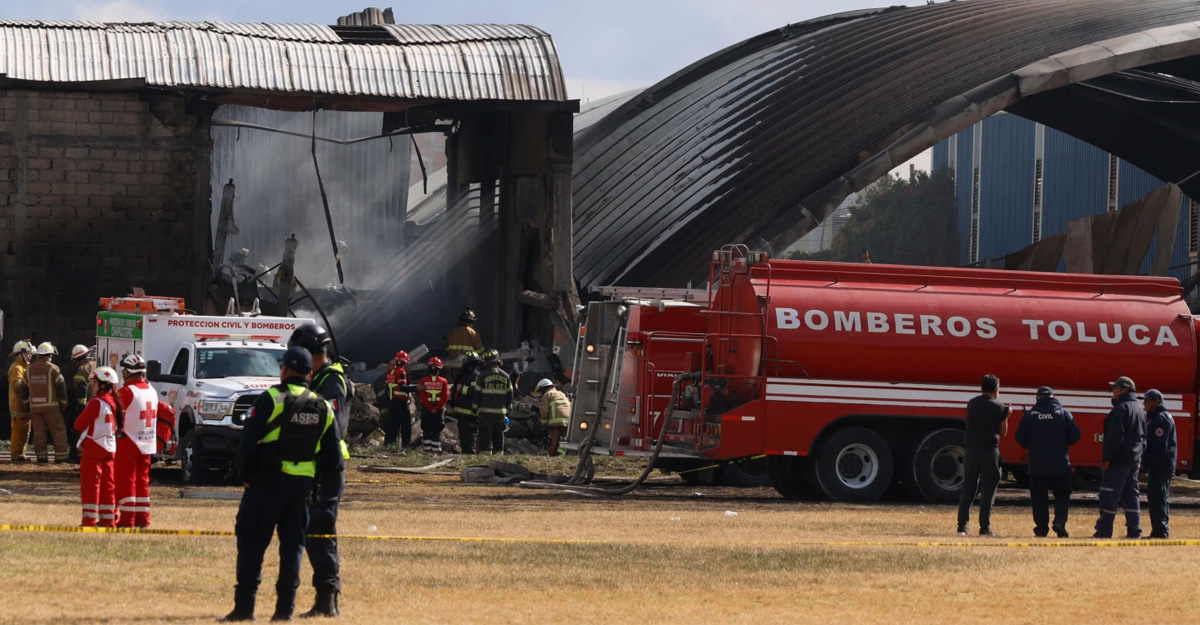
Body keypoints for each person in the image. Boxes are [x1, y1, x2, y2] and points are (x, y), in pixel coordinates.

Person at [223, 346, 342, 622]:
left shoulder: (270, 400)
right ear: (310, 374)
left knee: (252, 545)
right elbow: (333, 460)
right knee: (293, 550)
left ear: (284, 370)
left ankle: (244, 610)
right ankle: (284, 612)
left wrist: (248, 478)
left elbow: (247, 446)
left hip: (266, 487)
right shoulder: (323, 406)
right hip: (301, 491)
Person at [288, 323, 351, 618]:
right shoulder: (319, 379)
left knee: (320, 528)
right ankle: (324, 599)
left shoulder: (332, 381)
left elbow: (331, 425)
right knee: (312, 528)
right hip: (314, 467)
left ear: (313, 354)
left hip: (328, 467)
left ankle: (328, 600)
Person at [1014, 386, 1081, 538]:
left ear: (1037, 398)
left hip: (1037, 466)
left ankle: (1041, 528)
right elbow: (1076, 435)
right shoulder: (1063, 414)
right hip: (1060, 465)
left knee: (1039, 498)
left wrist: (1032, 444)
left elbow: (1020, 439)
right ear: (1053, 397)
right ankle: (1060, 522)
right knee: (1062, 495)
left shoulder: (1030, 415)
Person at [956, 374, 1010, 537]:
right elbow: (1003, 432)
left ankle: (962, 526)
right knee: (988, 491)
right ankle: (984, 527)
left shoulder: (972, 403)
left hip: (971, 451)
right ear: (996, 390)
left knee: (969, 488)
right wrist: (1006, 416)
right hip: (989, 451)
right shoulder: (999, 407)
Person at [1093, 376, 1146, 539]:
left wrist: (1107, 458)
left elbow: (1115, 437)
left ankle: (1104, 530)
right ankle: (1134, 530)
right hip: (1134, 460)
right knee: (1131, 496)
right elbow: (1144, 437)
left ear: (1125, 389)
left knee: (1109, 494)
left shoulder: (1120, 410)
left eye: (1115, 389)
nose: (1113, 392)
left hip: (1118, 461)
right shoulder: (1139, 410)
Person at [114, 354, 161, 527]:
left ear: (127, 372)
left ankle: (127, 520)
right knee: (142, 481)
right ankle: (143, 519)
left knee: (125, 481)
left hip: (128, 441)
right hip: (147, 441)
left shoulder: (126, 392)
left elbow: (113, 414)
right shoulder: (151, 390)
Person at [74, 366, 120, 528]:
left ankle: (89, 521)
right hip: (110, 447)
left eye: (94, 383)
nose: (92, 386)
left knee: (90, 484)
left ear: (102, 384)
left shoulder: (96, 403)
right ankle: (109, 520)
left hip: (94, 447)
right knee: (108, 485)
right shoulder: (115, 402)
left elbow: (79, 424)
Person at [21, 342, 70, 464]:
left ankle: (41, 458)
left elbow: (22, 387)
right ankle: (61, 457)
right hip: (51, 407)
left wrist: (27, 402)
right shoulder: (53, 368)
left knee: (39, 433)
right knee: (59, 431)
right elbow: (61, 386)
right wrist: (64, 403)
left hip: (35, 408)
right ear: (49, 355)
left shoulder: (29, 369)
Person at [1142, 389, 1176, 539]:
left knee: (1158, 498)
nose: (1144, 403)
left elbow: (1160, 446)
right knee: (1158, 497)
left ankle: (1160, 532)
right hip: (1160, 466)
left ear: (1156, 401)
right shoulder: (1159, 417)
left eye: (1147, 400)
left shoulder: (1161, 419)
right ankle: (1159, 530)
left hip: (1160, 467)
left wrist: (1151, 464)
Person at [472, 349, 513, 456]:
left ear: (485, 362)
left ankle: (486, 458)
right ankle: (499, 458)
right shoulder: (506, 376)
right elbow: (510, 394)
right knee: (499, 436)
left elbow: (477, 393)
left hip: (485, 413)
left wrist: (474, 408)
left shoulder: (482, 376)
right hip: (500, 413)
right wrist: (508, 408)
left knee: (486, 436)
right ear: (498, 361)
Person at [450, 351, 482, 454]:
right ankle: (466, 456)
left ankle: (470, 458)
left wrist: (461, 389)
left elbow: (475, 391)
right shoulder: (467, 375)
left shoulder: (474, 375)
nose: (462, 365)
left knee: (469, 438)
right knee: (464, 437)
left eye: (464, 362)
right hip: (464, 414)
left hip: (470, 414)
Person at [416, 357, 450, 453]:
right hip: (438, 409)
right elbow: (446, 396)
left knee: (426, 428)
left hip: (427, 409)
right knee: (437, 428)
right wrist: (437, 408)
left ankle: (427, 449)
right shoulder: (443, 381)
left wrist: (430, 408)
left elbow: (422, 396)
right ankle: (436, 449)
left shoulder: (423, 380)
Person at [68, 344, 95, 463]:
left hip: (87, 404)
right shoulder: (96, 364)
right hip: (100, 403)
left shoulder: (82, 369)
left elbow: (81, 388)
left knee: (79, 429)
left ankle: (78, 455)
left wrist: (81, 405)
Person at [383, 351, 416, 448]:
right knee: (406, 425)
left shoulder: (391, 372)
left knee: (393, 426)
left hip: (392, 401)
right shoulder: (401, 372)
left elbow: (387, 387)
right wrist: (416, 388)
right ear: (405, 362)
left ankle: (390, 446)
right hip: (401, 403)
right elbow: (402, 387)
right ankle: (406, 446)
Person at [7, 340, 33, 463]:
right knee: (19, 431)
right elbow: (18, 387)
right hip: (19, 405)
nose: (30, 355)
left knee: (24, 431)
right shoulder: (17, 368)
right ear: (20, 354)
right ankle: (16, 455)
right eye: (28, 353)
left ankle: (20, 454)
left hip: (22, 405)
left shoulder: (23, 367)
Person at [534, 379, 571, 456]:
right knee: (563, 440)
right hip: (567, 421)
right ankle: (562, 455)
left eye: (540, 391)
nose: (540, 393)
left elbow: (544, 411)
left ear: (543, 388)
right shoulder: (561, 394)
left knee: (553, 441)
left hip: (555, 421)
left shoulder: (547, 394)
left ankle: (552, 455)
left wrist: (543, 425)